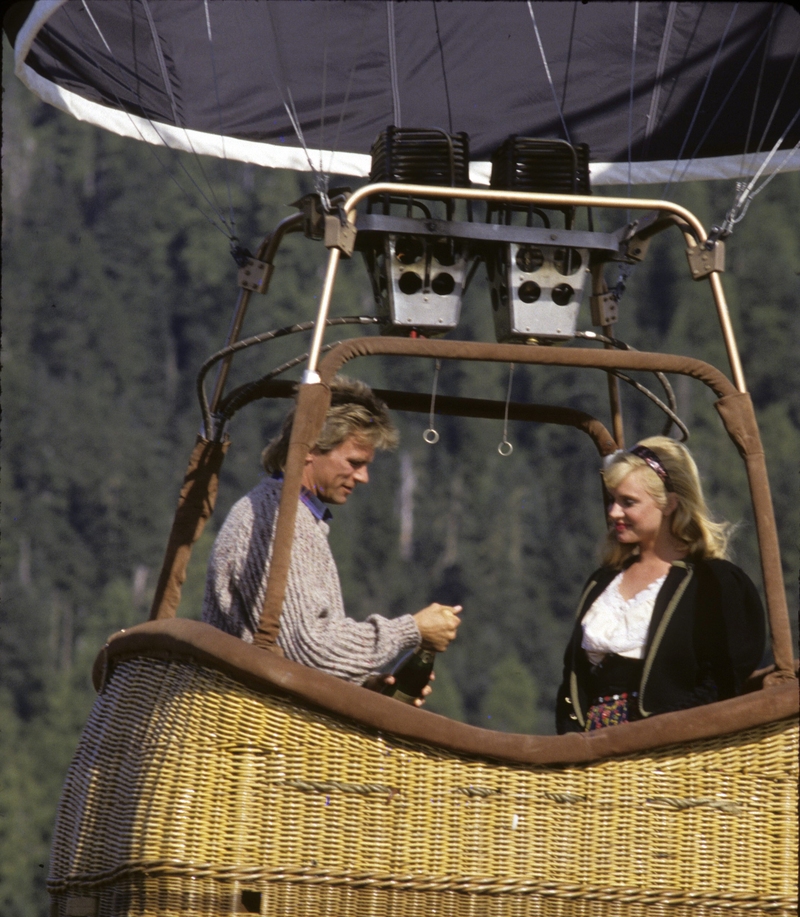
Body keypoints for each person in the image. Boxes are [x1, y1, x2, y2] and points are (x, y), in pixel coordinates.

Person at [202, 376, 462, 695]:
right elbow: (308, 649)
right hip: (253, 723)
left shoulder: (288, 514)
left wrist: (363, 684)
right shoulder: (276, 519)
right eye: (354, 463)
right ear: (310, 448)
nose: (363, 477)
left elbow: (296, 655)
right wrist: (411, 631)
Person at [556, 436, 765, 734]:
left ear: (670, 503)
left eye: (628, 502)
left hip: (669, 752)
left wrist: (654, 735)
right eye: (612, 499)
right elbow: (572, 681)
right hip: (591, 748)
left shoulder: (714, 583)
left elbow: (720, 682)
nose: (613, 512)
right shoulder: (602, 582)